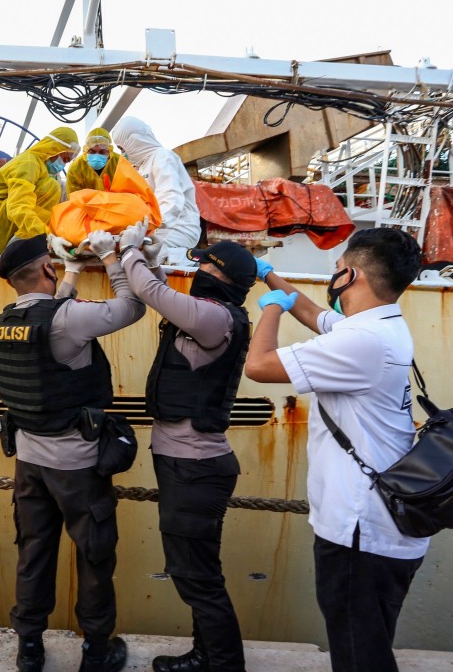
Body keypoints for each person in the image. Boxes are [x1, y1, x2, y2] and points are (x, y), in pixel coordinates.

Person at [244, 228, 427, 672]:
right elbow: (310, 312)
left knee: (358, 653)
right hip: (386, 524)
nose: (332, 275)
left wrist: (268, 311)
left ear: (352, 274)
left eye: (338, 267)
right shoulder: (379, 324)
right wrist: (268, 276)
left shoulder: (359, 342)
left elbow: (258, 365)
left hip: (361, 529)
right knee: (368, 642)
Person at [0, 231, 146, 672]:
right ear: (46, 267)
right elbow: (132, 306)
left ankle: (30, 650)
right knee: (95, 556)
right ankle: (96, 651)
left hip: (29, 462)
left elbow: (55, 313)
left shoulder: (6, 320)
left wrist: (73, 270)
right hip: (76, 466)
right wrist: (112, 258)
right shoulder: (68, 319)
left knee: (33, 551)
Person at [119, 227, 256, 672]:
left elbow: (148, 290)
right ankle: (208, 656)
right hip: (189, 465)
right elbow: (161, 292)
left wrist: (126, 250)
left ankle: (221, 663)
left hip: (194, 468)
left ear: (222, 276)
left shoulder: (215, 318)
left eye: (205, 263)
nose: (197, 269)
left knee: (196, 577)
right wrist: (146, 260)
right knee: (198, 572)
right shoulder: (209, 313)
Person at [0, 127, 80, 258]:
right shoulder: (28, 162)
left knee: (56, 186)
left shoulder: (41, 168)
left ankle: (30, 241)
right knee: (51, 187)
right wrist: (47, 237)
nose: (63, 165)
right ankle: (21, 245)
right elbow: (17, 206)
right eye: (64, 159)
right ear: (54, 149)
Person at [111, 117, 201, 262]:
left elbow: (171, 200)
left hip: (178, 226)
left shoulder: (162, 157)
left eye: (122, 148)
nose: (123, 154)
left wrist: (146, 226)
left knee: (139, 259)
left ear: (134, 141)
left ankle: (180, 260)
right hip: (158, 227)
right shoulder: (141, 166)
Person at [66, 127, 123, 195]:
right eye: (92, 152)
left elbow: (127, 193)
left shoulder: (120, 163)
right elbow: (74, 198)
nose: (96, 156)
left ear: (109, 151)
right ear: (86, 150)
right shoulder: (75, 168)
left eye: (102, 152)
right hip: (85, 205)